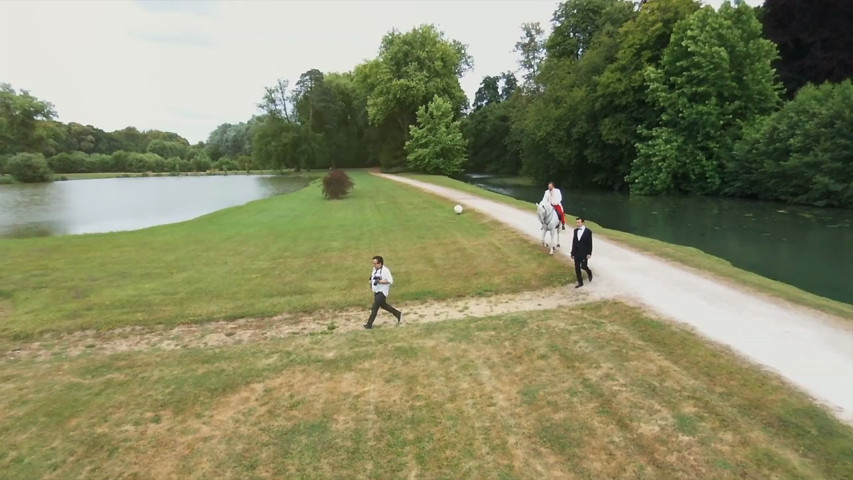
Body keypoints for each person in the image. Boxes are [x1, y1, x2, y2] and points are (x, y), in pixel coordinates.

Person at [364, 255, 403, 329]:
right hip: (376, 291)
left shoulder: (385, 270)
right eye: (373, 263)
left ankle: (369, 324)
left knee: (374, 308)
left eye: (375, 263)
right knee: (384, 305)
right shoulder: (374, 269)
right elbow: (373, 277)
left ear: (380, 263)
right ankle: (398, 314)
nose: (374, 265)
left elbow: (390, 281)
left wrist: (380, 281)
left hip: (382, 292)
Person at [570, 217, 593, 288]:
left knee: (583, 266)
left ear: (582, 223)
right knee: (577, 267)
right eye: (576, 222)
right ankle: (580, 282)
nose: (577, 224)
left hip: (584, 252)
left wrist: (589, 253)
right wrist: (572, 253)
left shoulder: (588, 231)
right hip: (577, 252)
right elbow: (574, 242)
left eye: (579, 222)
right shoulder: (575, 231)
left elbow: (590, 243)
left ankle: (589, 273)